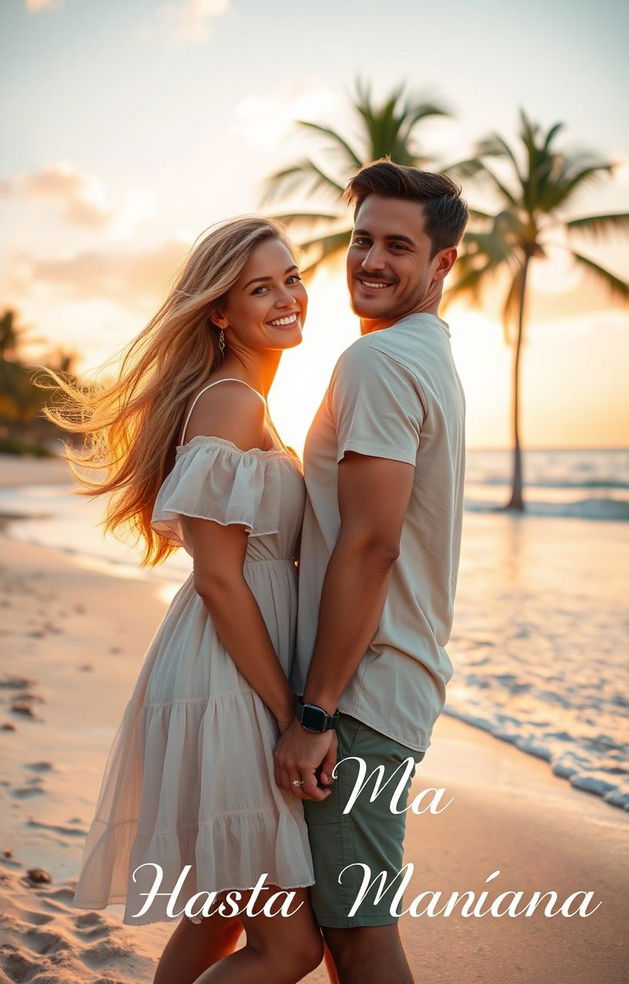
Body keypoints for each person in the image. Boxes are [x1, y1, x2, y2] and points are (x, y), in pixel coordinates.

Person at [48, 216, 325, 984]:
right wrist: (290, 710)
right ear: (218, 311)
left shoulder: (251, 406)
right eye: (259, 288)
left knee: (214, 922)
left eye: (292, 277)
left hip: (228, 667)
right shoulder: (230, 404)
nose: (286, 298)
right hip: (228, 682)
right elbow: (218, 577)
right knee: (290, 948)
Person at [274, 160, 469, 984]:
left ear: (442, 263)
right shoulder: (428, 355)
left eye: (398, 244)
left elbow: (371, 546)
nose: (371, 261)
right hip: (389, 679)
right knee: (350, 927)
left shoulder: (381, 363)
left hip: (359, 694)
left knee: (358, 935)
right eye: (361, 239)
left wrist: (316, 710)